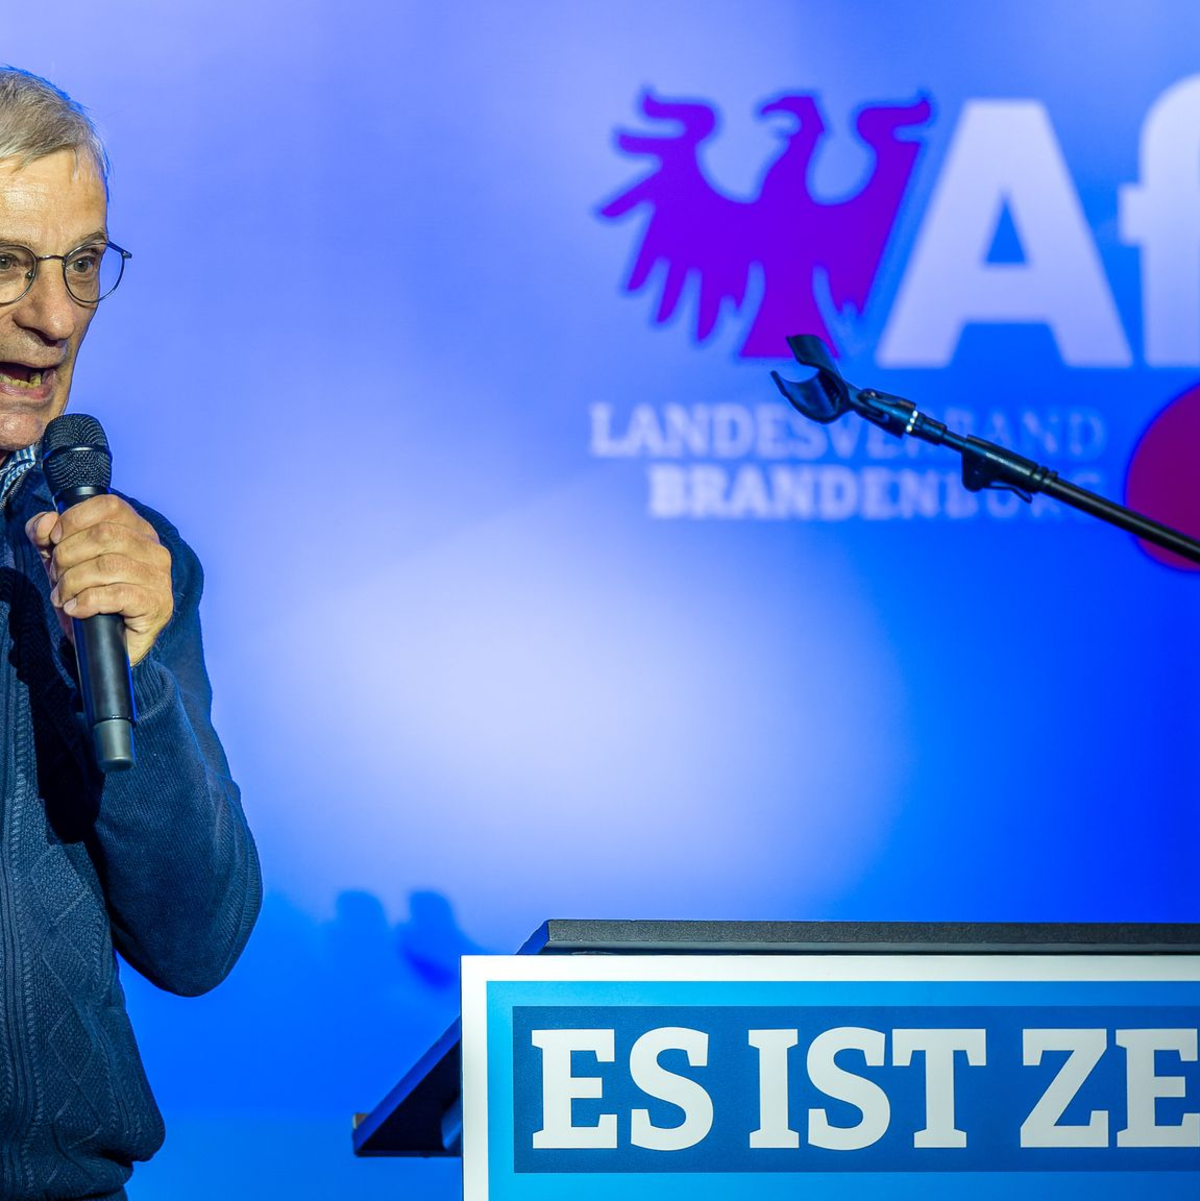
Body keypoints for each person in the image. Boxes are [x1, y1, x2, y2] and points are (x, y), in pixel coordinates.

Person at [0, 67, 261, 1199]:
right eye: (3, 265)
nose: (55, 319)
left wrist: (140, 674)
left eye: (82, 265)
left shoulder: (121, 562)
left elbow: (197, 940)